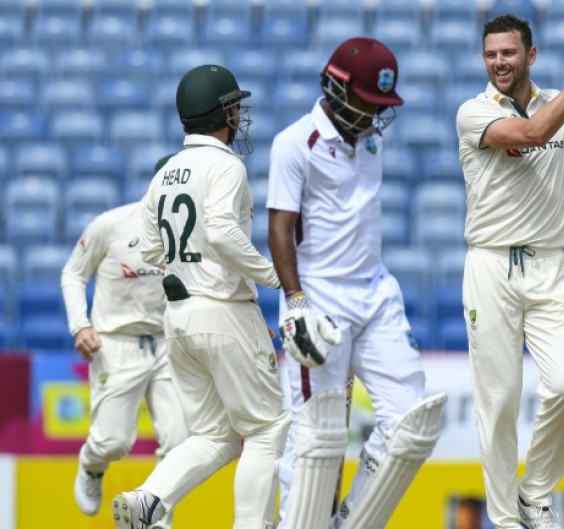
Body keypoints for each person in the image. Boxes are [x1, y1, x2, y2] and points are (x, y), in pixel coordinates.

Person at [456, 8, 564, 529]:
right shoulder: (473, 111)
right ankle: (506, 518)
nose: (499, 62)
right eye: (491, 54)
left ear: (530, 55)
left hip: (550, 266)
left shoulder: (562, 106)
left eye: (508, 53)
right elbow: (533, 133)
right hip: (490, 264)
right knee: (500, 399)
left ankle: (535, 495)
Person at [267, 37, 446, 529]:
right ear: (336, 88)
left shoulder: (371, 137)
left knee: (411, 424)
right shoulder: (294, 143)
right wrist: (296, 304)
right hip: (318, 303)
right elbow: (280, 227)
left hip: (376, 295)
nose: (376, 115)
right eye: (370, 102)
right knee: (317, 438)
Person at [111, 64, 290, 529]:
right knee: (268, 427)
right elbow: (225, 235)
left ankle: (148, 498)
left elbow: (150, 247)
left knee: (215, 435)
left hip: (179, 317)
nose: (240, 116)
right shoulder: (227, 166)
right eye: (235, 107)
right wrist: (277, 277)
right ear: (222, 113)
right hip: (225, 311)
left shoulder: (166, 172)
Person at [63, 155, 185, 529]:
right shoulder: (111, 225)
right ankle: (91, 465)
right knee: (113, 442)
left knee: (180, 441)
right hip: (115, 342)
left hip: (169, 344)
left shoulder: (191, 234)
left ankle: (154, 512)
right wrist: (80, 326)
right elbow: (73, 274)